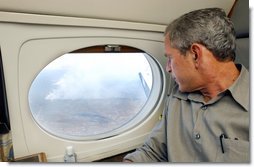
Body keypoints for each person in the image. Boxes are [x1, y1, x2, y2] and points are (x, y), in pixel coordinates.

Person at [123, 8, 249, 162]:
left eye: (170, 58)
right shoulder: (177, 96)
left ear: (196, 55)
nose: (168, 68)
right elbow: (153, 152)